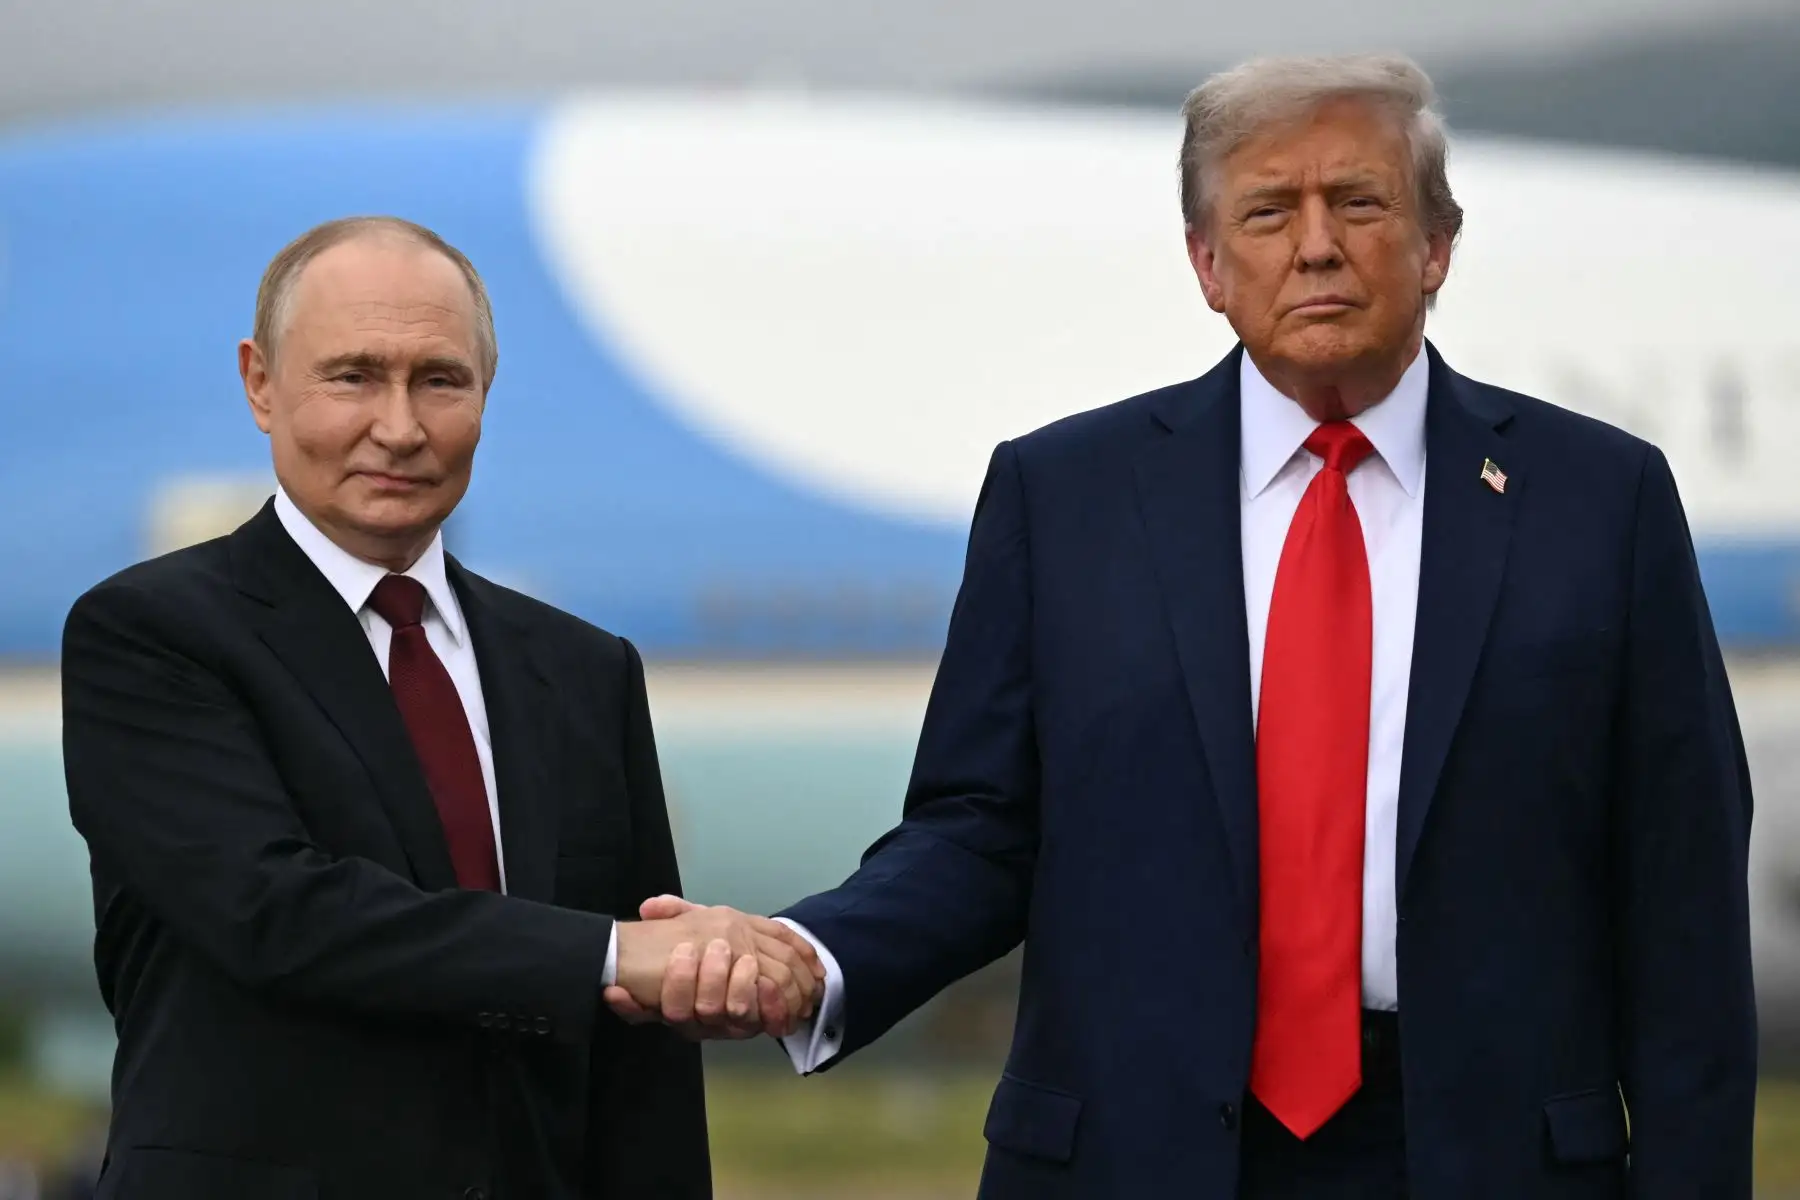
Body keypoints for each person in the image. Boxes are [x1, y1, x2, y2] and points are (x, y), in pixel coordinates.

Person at [617, 54, 1758, 1197]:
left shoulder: (1598, 503)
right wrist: (814, 956)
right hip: (1134, 1153)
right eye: (1268, 213)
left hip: (1483, 1158)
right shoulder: (1064, 498)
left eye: (1359, 203)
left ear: (1437, 247)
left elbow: (1684, 904)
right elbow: (979, 833)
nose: (1317, 246)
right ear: (1208, 264)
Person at [60, 216, 822, 1200]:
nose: (400, 427)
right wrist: (611, 953)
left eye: (439, 380)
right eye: (352, 377)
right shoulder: (149, 635)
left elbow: (639, 1071)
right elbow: (276, 914)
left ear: (485, 393)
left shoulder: (584, 670)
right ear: (260, 383)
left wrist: (661, 965)